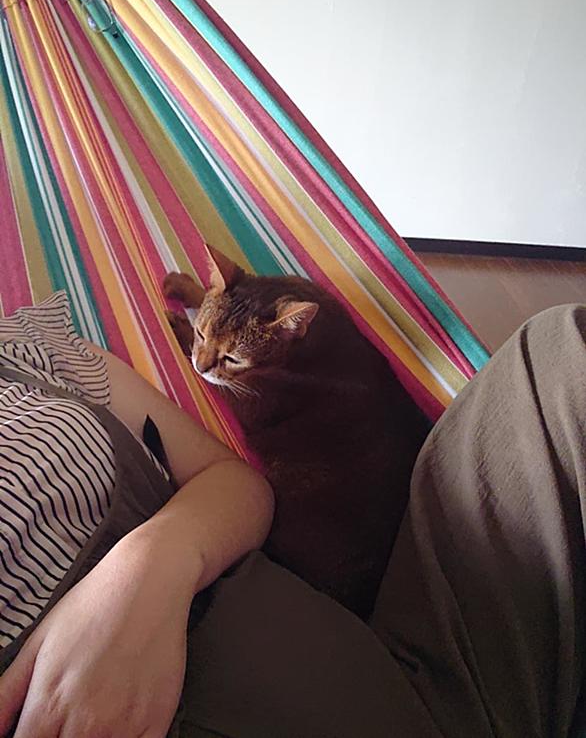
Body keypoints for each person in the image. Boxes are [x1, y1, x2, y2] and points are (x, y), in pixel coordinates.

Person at [0, 292, 585, 737]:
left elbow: (232, 480)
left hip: (373, 662)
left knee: (561, 345)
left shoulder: (35, 346)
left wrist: (145, 571)